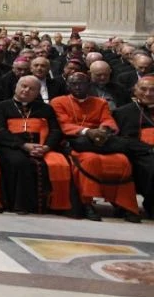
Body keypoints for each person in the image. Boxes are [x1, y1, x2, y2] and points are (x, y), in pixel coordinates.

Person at [53, 71, 141, 221]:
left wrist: (104, 130)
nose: (78, 87)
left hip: (101, 140)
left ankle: (123, 205)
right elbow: (64, 124)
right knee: (90, 161)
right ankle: (87, 203)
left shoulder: (100, 102)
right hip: (77, 141)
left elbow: (108, 120)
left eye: (82, 83)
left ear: (89, 85)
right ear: (68, 86)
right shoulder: (58, 102)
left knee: (122, 161)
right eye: (73, 84)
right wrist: (88, 132)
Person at [0, 75, 71, 215]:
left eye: (32, 89)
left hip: (41, 147)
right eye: (24, 86)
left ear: (37, 93)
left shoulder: (46, 109)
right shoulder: (1, 107)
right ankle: (19, 205)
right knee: (19, 161)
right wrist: (23, 146)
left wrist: (46, 147)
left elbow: (55, 131)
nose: (27, 90)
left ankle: (53, 205)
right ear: (16, 87)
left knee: (60, 163)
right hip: (12, 146)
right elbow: (0, 131)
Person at [112, 76, 154, 219]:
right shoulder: (123, 112)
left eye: (153, 90)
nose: (148, 93)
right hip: (139, 155)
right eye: (144, 89)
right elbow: (123, 140)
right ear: (135, 91)